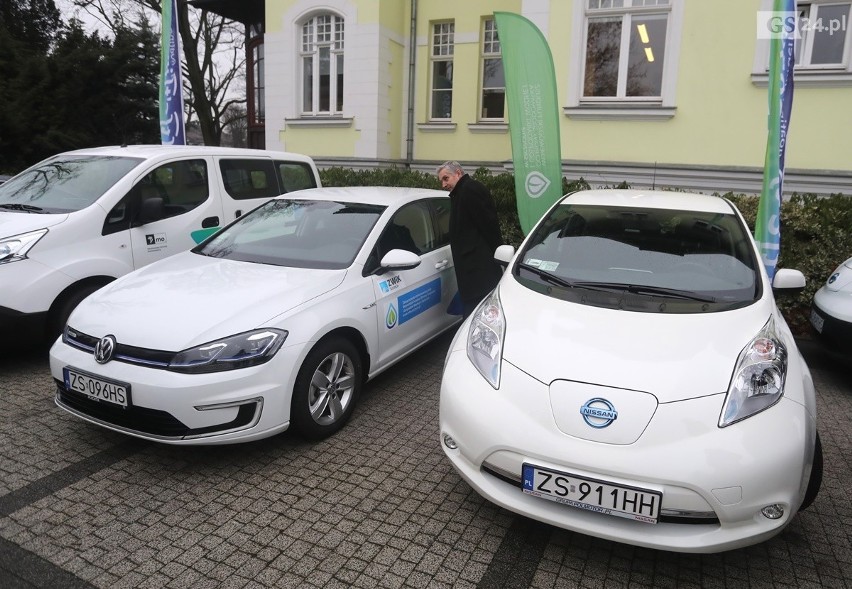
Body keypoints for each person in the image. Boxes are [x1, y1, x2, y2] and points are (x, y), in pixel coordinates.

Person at [437, 161, 503, 318]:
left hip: (479, 271)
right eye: (441, 180)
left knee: (479, 316)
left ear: (458, 173)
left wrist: (499, 254)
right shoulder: (460, 193)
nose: (443, 184)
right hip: (472, 272)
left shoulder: (471, 189)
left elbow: (489, 225)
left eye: (446, 178)